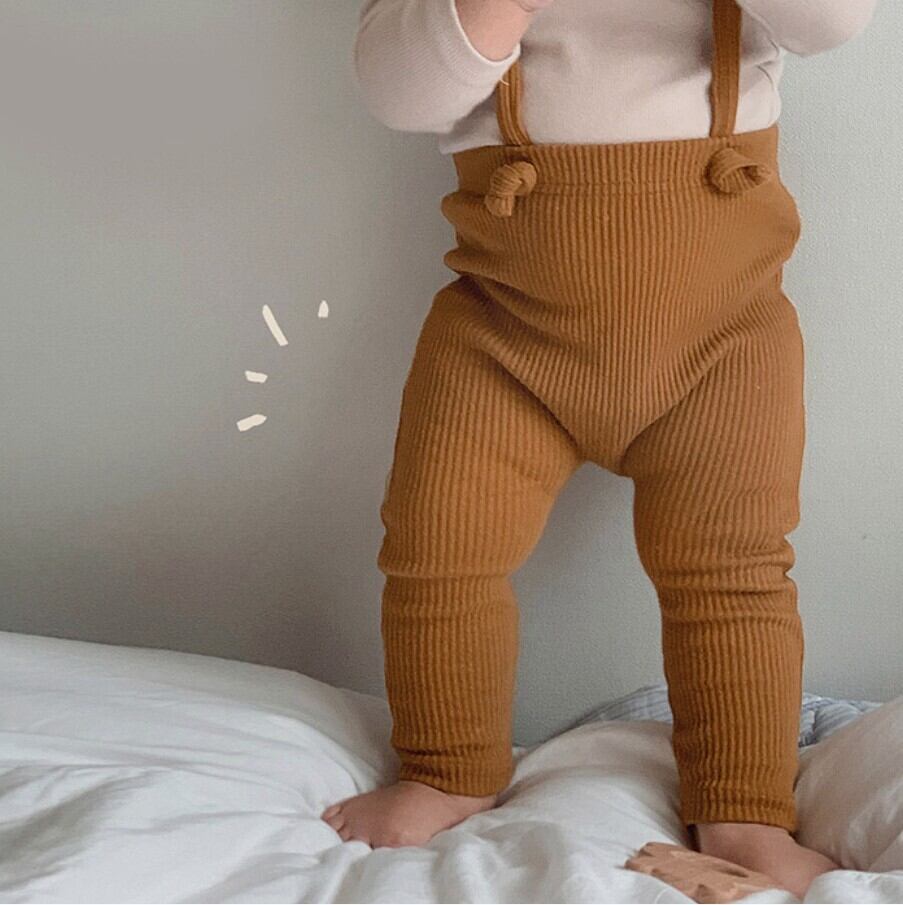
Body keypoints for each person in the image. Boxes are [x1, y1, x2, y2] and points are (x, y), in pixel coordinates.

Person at [322, 0, 877, 897]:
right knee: (438, 552)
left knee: (731, 572)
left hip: (723, 342)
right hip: (504, 337)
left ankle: (743, 810)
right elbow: (399, 93)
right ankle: (448, 766)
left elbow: (831, 22)